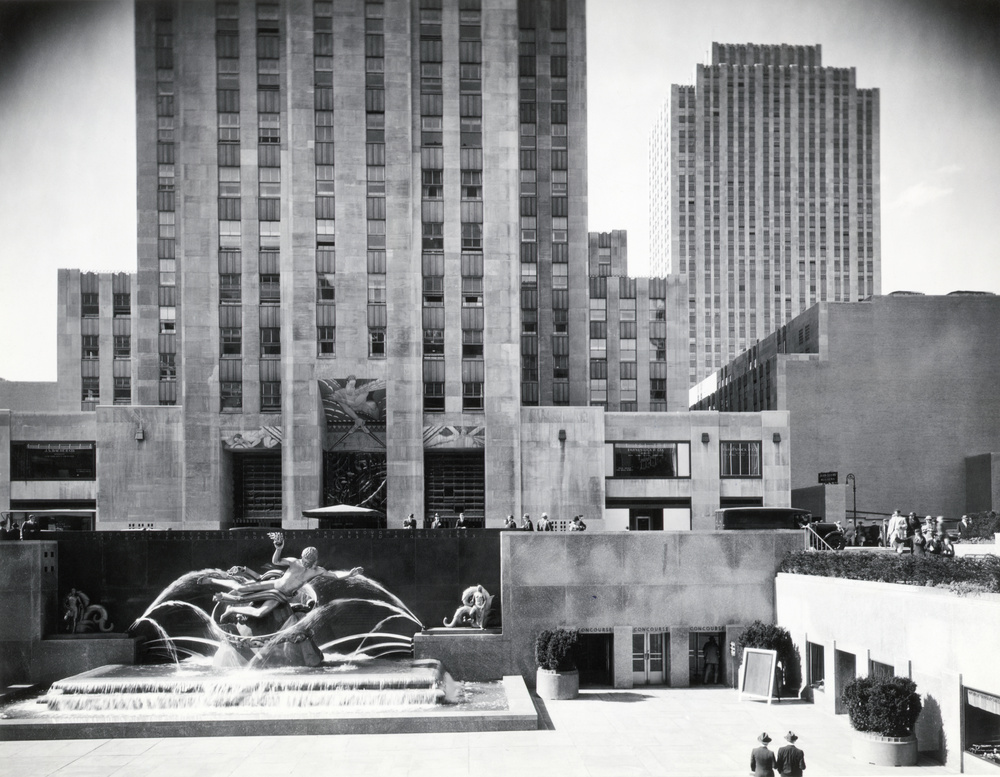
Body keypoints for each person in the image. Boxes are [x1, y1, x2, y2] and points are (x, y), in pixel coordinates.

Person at [213, 533, 362, 621]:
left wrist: (349, 574)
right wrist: (279, 548)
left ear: (315, 561)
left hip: (282, 596)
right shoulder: (294, 562)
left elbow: (335, 575)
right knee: (241, 589)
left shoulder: (317, 570)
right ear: (301, 557)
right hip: (273, 585)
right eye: (304, 561)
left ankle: (233, 610)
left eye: (309, 562)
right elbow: (276, 561)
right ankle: (224, 581)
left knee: (259, 613)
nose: (306, 564)